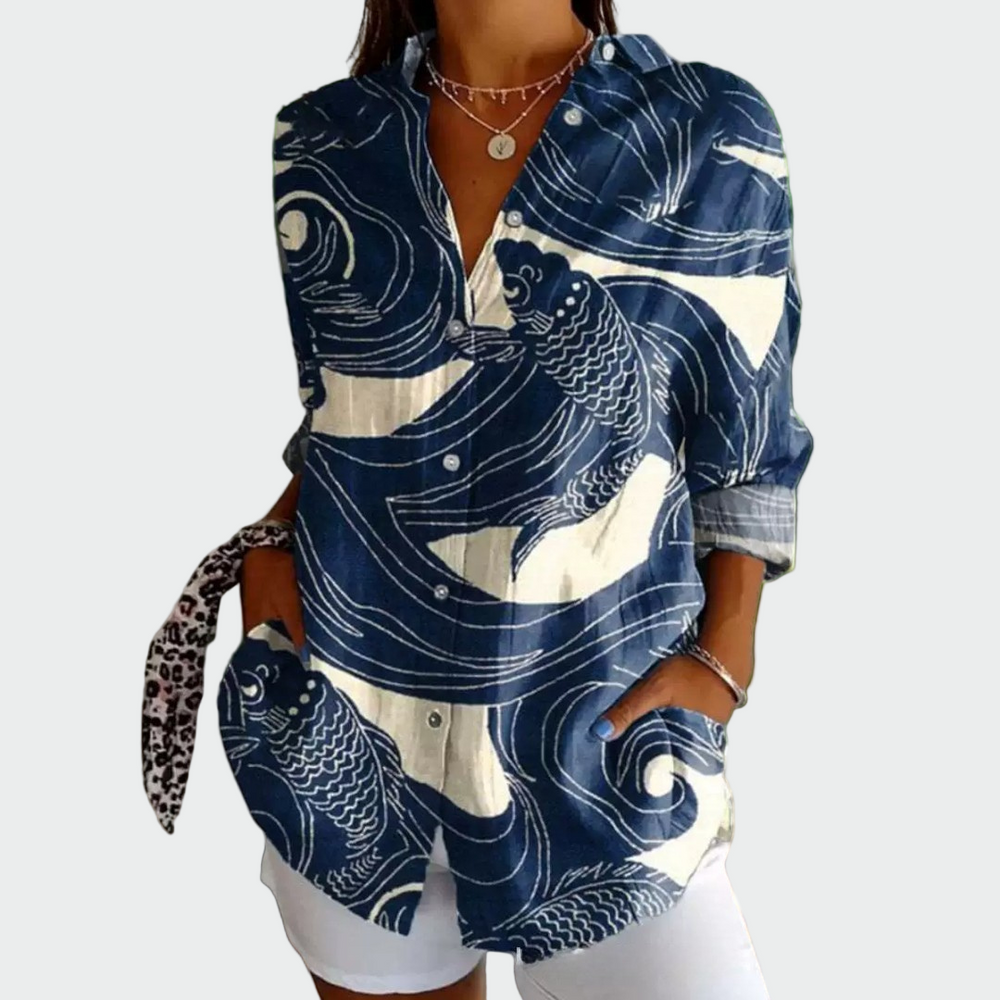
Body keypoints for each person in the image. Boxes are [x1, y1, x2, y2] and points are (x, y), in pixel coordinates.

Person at [144, 1, 813, 997]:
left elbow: (746, 440)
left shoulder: (708, 129)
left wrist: (726, 657)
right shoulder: (324, 142)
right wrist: (271, 566)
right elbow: (355, 411)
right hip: (349, 754)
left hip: (602, 767)